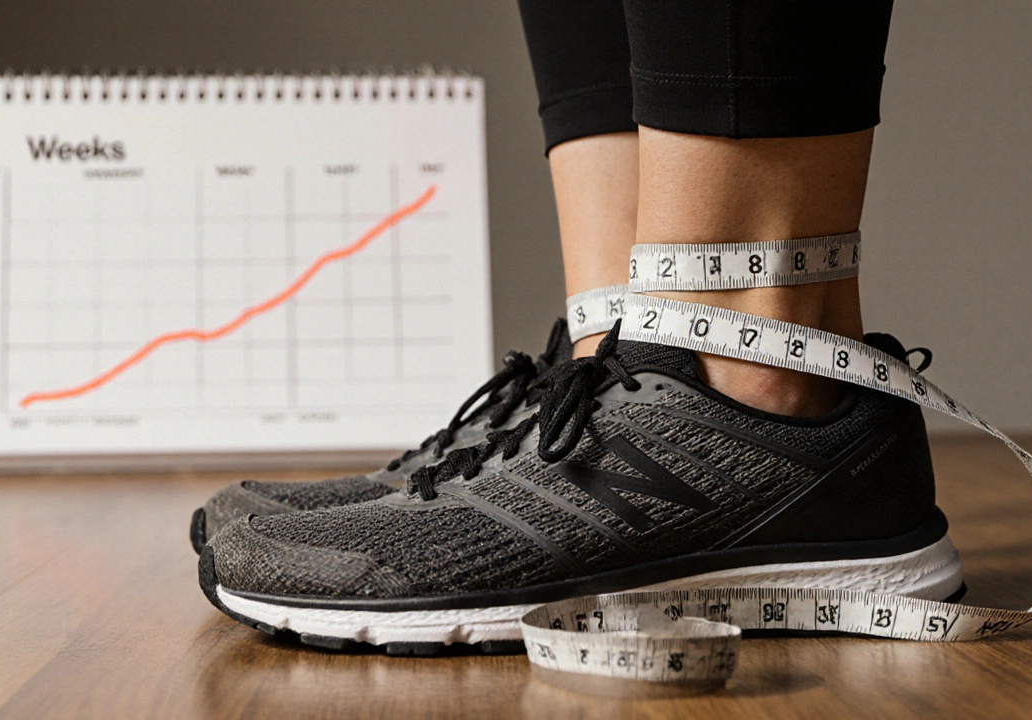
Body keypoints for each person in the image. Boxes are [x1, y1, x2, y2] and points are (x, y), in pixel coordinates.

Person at [195, 0, 962, 655]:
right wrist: (611, 338)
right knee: (614, 310)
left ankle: (751, 375)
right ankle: (614, 355)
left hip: (764, 368)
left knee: (724, 334)